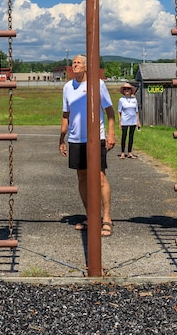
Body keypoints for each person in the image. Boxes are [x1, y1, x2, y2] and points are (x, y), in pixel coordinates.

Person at [59, 54, 116, 237]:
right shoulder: (68, 87)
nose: (75, 65)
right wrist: (62, 138)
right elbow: (65, 114)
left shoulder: (97, 84)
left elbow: (109, 111)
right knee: (82, 176)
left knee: (99, 176)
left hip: (95, 138)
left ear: (86, 67)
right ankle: (91, 216)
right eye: (73, 63)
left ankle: (106, 218)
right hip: (76, 139)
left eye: (78, 62)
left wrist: (111, 133)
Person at [117, 82, 141, 159]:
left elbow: (136, 111)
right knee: (124, 136)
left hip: (133, 120)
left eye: (128, 89)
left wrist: (138, 121)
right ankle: (122, 152)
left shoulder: (134, 99)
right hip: (125, 120)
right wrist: (120, 122)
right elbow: (119, 111)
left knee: (131, 136)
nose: (127, 90)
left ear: (131, 91)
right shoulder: (121, 100)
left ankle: (130, 152)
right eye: (125, 89)